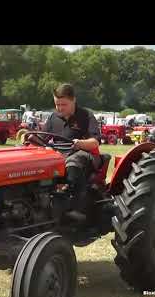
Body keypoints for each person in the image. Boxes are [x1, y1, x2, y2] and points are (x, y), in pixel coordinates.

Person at [44, 83, 102, 220]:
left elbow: (95, 142)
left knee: (73, 163)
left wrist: (79, 143)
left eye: (63, 104)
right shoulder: (53, 118)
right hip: (60, 155)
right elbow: (42, 138)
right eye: (57, 104)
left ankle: (77, 207)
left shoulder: (86, 116)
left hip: (85, 154)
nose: (59, 108)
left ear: (73, 100)